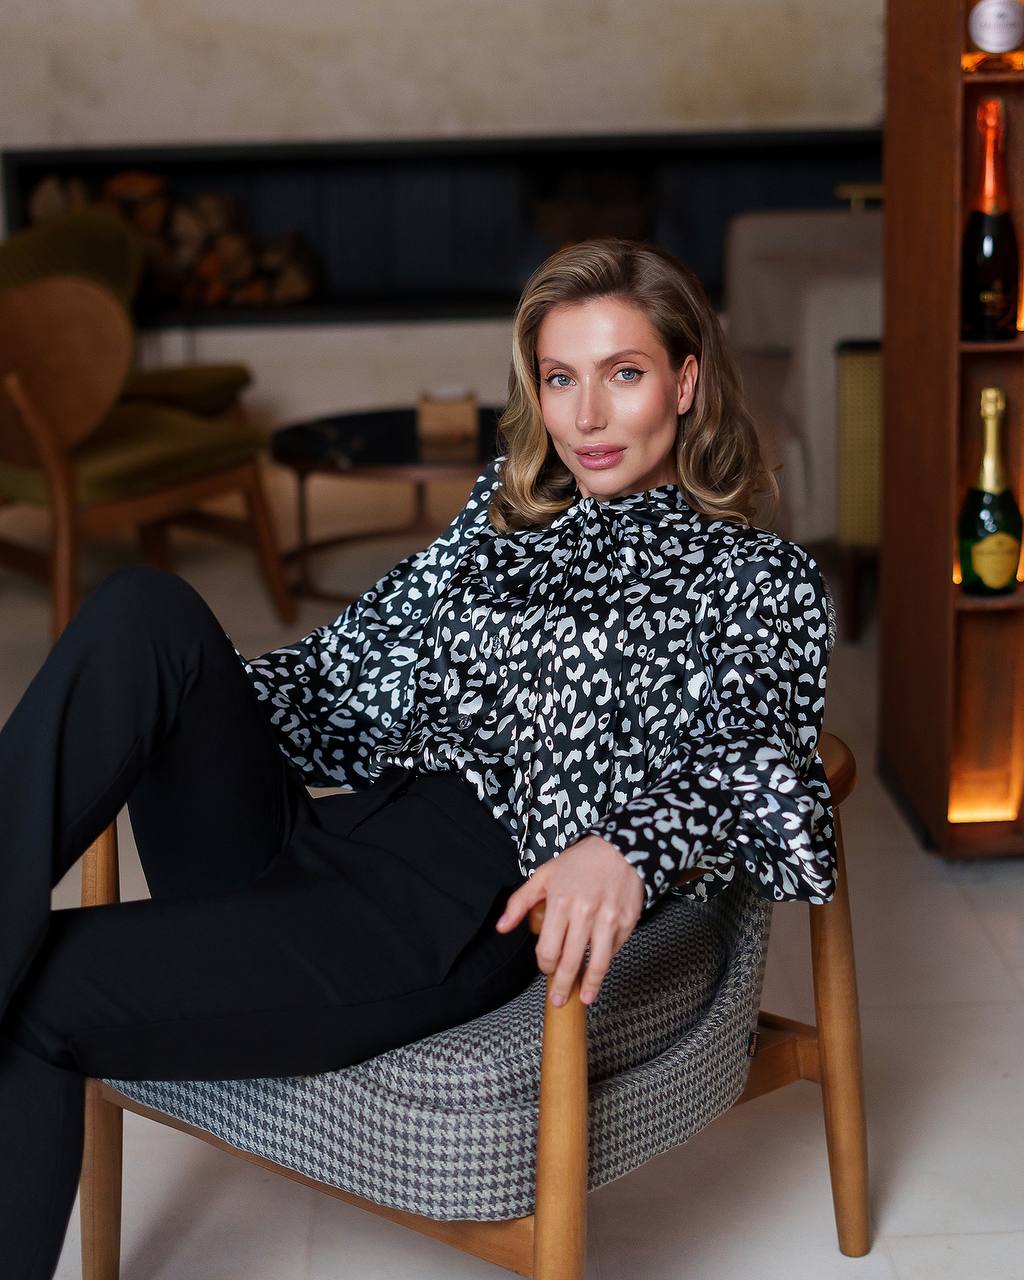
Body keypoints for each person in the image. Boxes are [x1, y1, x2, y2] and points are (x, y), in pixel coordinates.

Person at [0, 236, 837, 1278]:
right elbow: (343, 667)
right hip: (325, 832)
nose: (585, 416)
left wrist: (623, 844)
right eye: (559, 377)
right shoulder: (506, 518)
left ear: (685, 378)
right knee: (144, 609)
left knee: (35, 993)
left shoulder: (755, 580)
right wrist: (180, 698)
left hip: (427, 918)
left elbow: (760, 756)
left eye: (622, 374)